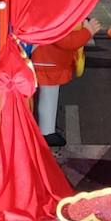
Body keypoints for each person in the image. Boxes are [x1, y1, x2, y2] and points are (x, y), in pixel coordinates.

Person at [29, 19, 101, 148]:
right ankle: (46, 132)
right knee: (48, 97)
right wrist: (87, 32)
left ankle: (44, 127)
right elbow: (67, 41)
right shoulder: (52, 15)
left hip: (44, 60)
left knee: (45, 96)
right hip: (49, 62)